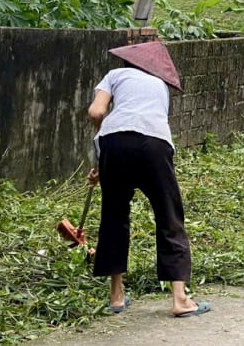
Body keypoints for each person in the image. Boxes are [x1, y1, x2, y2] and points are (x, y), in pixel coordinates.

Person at [87, 41, 210, 318]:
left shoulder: (115, 76)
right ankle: (180, 299)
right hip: (154, 144)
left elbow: (96, 112)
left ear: (128, 62)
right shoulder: (160, 86)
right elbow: (147, 124)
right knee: (169, 215)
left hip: (113, 144)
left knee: (114, 216)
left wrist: (102, 153)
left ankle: (116, 297)